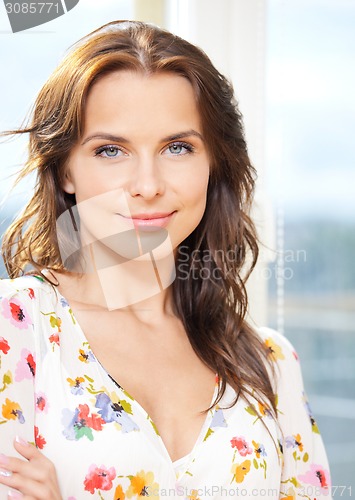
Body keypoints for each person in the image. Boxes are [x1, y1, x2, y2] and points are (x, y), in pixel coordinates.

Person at [0, 20, 331, 500]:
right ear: (65, 170)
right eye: (111, 150)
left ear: (213, 162)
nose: (148, 184)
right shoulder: (17, 327)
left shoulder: (269, 362)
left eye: (177, 147)